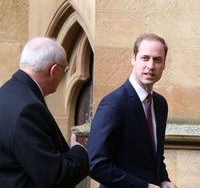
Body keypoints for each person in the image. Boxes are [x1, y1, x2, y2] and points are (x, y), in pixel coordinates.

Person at [88, 33, 177, 188]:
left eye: (157, 60)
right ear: (133, 59)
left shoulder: (160, 104)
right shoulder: (114, 103)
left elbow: (155, 157)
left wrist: (164, 180)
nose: (151, 66)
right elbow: (95, 165)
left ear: (164, 65)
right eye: (145, 58)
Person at [0, 37, 89, 188]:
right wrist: (80, 152)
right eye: (65, 70)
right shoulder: (28, 109)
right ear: (53, 70)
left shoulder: (7, 92)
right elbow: (55, 177)